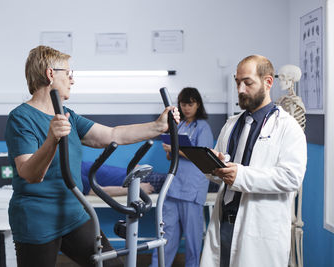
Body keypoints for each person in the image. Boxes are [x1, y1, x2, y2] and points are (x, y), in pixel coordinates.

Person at [4, 45, 180, 267]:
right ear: (50, 74)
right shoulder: (21, 118)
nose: (72, 80)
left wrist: (158, 125)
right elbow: (29, 173)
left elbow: (112, 135)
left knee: (111, 264)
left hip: (73, 213)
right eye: (68, 74)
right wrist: (52, 140)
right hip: (37, 219)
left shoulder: (69, 116)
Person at [200, 55, 307, 267]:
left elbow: (291, 178)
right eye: (237, 82)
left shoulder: (287, 127)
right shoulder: (231, 124)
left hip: (259, 227)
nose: (240, 89)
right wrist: (215, 166)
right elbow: (220, 169)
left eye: (247, 82)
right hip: (225, 222)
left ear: (268, 82)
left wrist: (240, 175)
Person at [150, 87, 214, 267]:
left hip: (192, 189)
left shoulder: (203, 127)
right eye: (183, 104)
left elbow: (202, 154)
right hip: (173, 187)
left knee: (193, 239)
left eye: (190, 104)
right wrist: (170, 151)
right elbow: (172, 156)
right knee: (166, 235)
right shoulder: (179, 125)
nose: (186, 108)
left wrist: (176, 149)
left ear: (198, 105)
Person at [81, 161, 167, 196]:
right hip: (137, 182)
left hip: (135, 174)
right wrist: (136, 188)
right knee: (175, 182)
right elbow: (98, 191)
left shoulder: (74, 163)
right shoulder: (73, 175)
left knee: (175, 179)